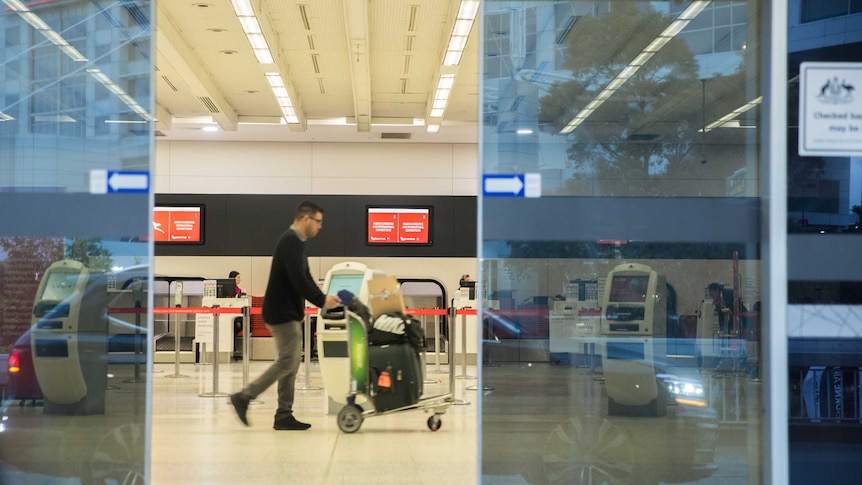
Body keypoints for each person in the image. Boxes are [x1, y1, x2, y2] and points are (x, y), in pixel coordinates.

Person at [230, 201, 341, 430]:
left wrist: (322, 298)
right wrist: (322, 301)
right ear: (305, 219)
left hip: (288, 311)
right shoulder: (291, 241)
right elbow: (298, 280)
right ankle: (244, 396)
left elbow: (305, 276)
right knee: (287, 362)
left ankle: (283, 415)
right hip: (282, 312)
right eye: (318, 221)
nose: (320, 227)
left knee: (291, 364)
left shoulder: (298, 242)